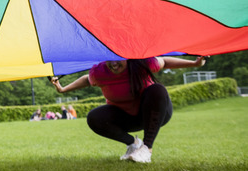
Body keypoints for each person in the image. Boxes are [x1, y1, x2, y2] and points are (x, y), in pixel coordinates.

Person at [50, 56, 207, 163]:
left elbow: (164, 62)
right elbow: (87, 79)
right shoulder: (100, 71)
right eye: (109, 59)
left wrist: (195, 64)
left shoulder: (142, 63)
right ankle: (133, 144)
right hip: (126, 118)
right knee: (94, 117)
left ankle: (147, 148)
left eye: (119, 59)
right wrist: (63, 89)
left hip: (154, 113)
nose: (114, 63)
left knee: (157, 89)